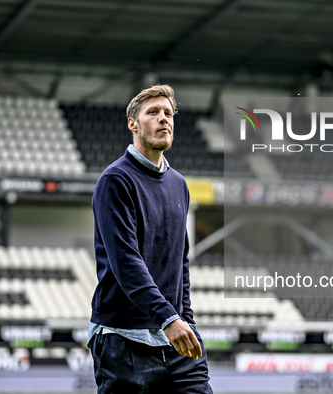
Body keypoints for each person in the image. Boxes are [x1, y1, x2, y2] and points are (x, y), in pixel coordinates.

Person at [88, 84, 212, 393]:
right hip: (124, 341)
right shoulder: (115, 180)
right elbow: (126, 261)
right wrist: (169, 318)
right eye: (153, 112)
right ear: (133, 123)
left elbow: (179, 261)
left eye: (168, 113)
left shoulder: (179, 184)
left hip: (176, 339)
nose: (163, 119)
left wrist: (186, 319)